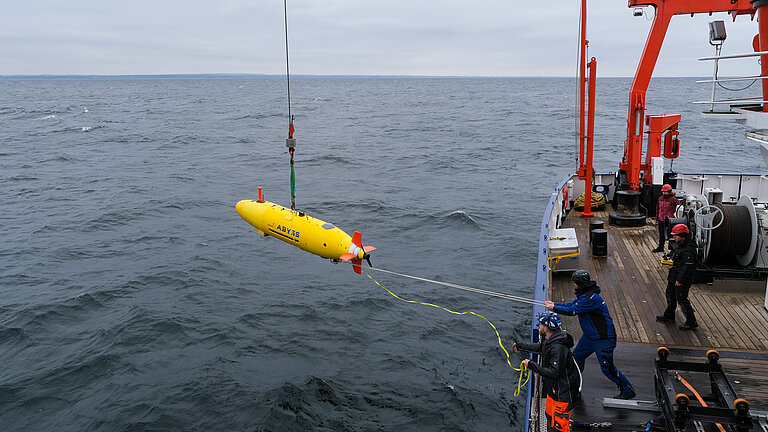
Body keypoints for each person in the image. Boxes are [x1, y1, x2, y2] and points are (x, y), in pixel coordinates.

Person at [544, 269, 636, 399]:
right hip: (590, 336)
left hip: (603, 339)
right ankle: (574, 384)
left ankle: (627, 390)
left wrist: (554, 308)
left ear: (579, 284)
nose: (572, 284)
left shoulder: (590, 298)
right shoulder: (584, 294)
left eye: (574, 282)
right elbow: (572, 304)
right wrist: (555, 304)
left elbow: (572, 311)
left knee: (607, 368)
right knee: (576, 358)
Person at [514, 312, 582, 432]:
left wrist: (531, 365)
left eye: (540, 323)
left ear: (546, 327)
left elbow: (554, 372)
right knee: (549, 417)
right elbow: (541, 348)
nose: (539, 325)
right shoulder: (551, 339)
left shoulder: (558, 348)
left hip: (563, 395)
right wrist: (520, 346)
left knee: (559, 428)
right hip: (554, 391)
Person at [656, 223, 699, 330]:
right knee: (670, 294)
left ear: (682, 235)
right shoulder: (681, 244)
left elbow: (687, 266)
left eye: (675, 235)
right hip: (674, 275)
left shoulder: (689, 249)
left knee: (682, 299)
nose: (673, 236)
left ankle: (691, 321)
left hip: (681, 278)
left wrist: (680, 280)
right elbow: (675, 253)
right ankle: (669, 315)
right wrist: (667, 257)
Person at [653, 184, 679, 253]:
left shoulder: (673, 199)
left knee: (671, 235)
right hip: (661, 219)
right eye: (663, 191)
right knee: (661, 234)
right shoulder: (660, 198)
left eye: (665, 191)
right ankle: (660, 247)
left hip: (670, 220)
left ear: (669, 191)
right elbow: (657, 209)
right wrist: (657, 219)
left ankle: (672, 250)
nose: (664, 193)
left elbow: (678, 209)